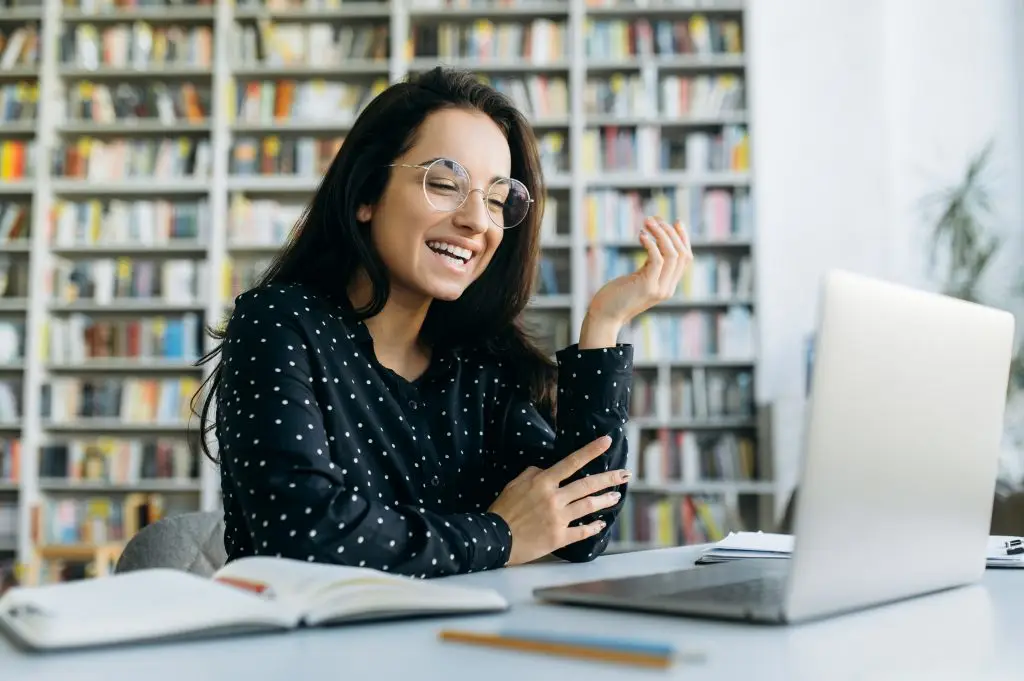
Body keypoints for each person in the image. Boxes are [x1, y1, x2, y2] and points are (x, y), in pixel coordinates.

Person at [194, 66, 693, 578]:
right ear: (367, 192)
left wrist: (603, 327)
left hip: (458, 645)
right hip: (308, 649)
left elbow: (577, 530)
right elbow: (301, 534)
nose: (477, 220)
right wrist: (500, 535)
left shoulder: (479, 363)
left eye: (498, 199)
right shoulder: (279, 323)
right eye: (446, 182)